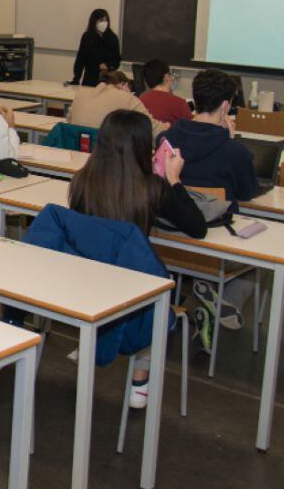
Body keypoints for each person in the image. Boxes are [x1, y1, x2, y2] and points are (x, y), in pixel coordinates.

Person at [68, 109, 207, 407]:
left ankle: (93, 340)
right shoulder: (152, 188)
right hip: (135, 287)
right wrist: (173, 179)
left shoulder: (81, 181)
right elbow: (197, 227)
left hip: (85, 283)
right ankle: (140, 381)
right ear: (146, 147)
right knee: (158, 290)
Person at [157, 69, 261, 336]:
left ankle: (198, 301)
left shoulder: (165, 140)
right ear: (226, 106)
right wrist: (232, 142)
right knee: (257, 266)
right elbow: (248, 192)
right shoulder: (234, 151)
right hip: (216, 248)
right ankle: (203, 304)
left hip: (167, 241)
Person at [69, 70, 167, 137]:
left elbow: (69, 121)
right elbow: (154, 130)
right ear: (125, 86)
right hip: (106, 157)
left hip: (76, 152)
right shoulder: (127, 98)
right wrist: (167, 126)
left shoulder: (81, 94)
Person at [72, 8, 121, 87]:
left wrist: (108, 66)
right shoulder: (87, 37)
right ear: (94, 21)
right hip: (90, 79)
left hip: (107, 80)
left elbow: (117, 60)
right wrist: (76, 79)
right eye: (101, 20)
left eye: (106, 20)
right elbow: (80, 60)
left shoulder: (112, 38)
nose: (104, 23)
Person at [139, 58, 193, 125]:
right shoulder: (179, 103)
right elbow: (190, 129)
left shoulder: (140, 100)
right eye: (170, 74)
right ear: (166, 77)